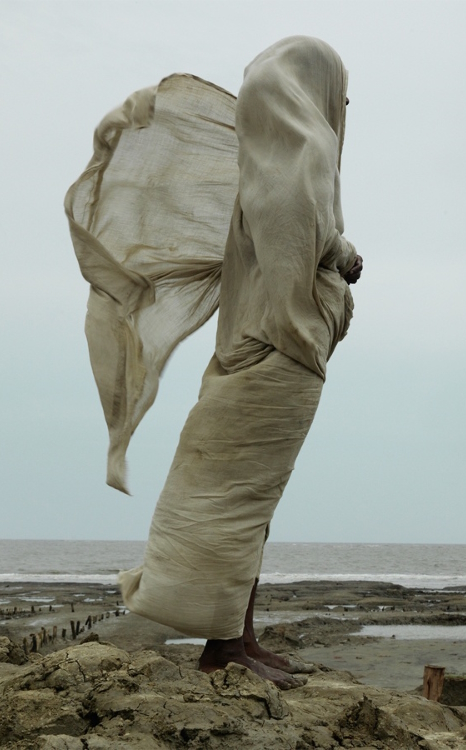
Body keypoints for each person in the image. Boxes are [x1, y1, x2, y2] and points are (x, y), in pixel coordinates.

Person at [66, 37, 361, 689]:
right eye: (339, 92)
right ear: (310, 89)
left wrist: (337, 258)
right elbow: (295, 248)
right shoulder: (295, 159)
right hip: (273, 353)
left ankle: (239, 638)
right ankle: (224, 648)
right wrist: (332, 272)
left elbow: (301, 236)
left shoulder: (276, 160)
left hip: (266, 352)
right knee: (235, 500)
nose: (343, 106)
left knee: (249, 502)